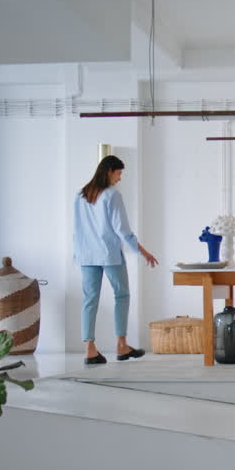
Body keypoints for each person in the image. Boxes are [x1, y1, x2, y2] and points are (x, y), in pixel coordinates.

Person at [73, 155, 159, 365]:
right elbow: (122, 229)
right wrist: (143, 251)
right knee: (122, 295)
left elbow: (77, 228)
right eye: (119, 173)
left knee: (90, 299)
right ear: (109, 171)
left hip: (86, 254)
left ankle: (89, 349)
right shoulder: (112, 195)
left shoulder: (81, 195)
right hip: (109, 254)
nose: (119, 178)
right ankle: (121, 345)